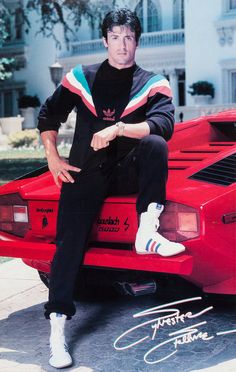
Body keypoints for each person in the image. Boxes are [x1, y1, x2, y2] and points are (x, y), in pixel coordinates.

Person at [38, 8, 185, 368]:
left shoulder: (153, 83)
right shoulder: (81, 77)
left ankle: (146, 233)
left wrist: (118, 128)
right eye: (116, 37)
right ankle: (57, 329)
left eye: (129, 37)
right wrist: (53, 158)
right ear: (105, 41)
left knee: (154, 144)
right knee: (68, 243)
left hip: (128, 170)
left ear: (137, 41)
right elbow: (49, 115)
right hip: (85, 170)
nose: (122, 44)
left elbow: (163, 124)